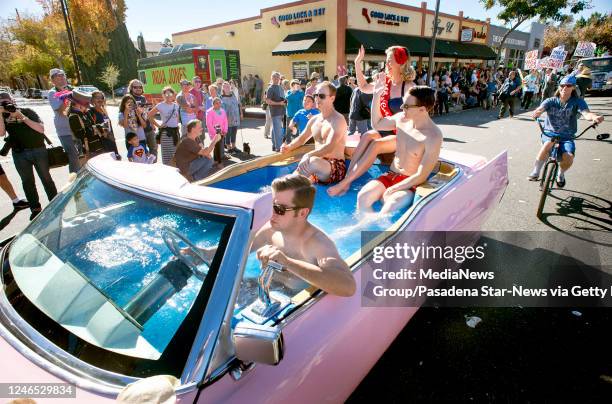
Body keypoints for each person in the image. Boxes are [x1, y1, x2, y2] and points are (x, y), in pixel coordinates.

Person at [328, 45, 416, 197]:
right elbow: (363, 87)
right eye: (386, 61)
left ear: (400, 63)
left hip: (401, 134)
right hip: (383, 130)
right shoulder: (385, 83)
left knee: (375, 144)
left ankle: (345, 183)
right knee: (367, 135)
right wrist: (357, 63)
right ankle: (347, 178)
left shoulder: (409, 87)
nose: (386, 64)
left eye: (390, 61)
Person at [251, 174, 356, 296]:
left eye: (280, 209)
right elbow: (238, 252)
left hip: (295, 301)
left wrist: (287, 262)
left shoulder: (318, 244)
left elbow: (348, 287)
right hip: (264, 290)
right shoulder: (269, 229)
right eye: (271, 205)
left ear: (302, 213)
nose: (272, 213)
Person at [357, 85, 442, 215]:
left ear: (422, 109)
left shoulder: (433, 136)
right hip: (391, 175)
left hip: (411, 184)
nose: (402, 108)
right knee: (362, 197)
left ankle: (368, 232)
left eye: (407, 106)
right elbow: (377, 124)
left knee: (388, 208)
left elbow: (421, 176)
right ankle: (361, 231)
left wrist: (395, 188)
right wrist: (376, 96)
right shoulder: (401, 119)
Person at [528, 76, 604, 187]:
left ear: (573, 88)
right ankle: (536, 171)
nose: (564, 88)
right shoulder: (550, 101)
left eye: (568, 86)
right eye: (562, 85)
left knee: (568, 157)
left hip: (567, 136)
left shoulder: (578, 102)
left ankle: (561, 173)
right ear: (559, 87)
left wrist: (594, 117)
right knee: (548, 143)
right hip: (549, 134)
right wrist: (537, 112)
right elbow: (541, 108)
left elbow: (586, 113)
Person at [0, 91, 57, 220]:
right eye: (2, 104)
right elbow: (1, 133)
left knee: (46, 179)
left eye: (7, 102)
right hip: (19, 154)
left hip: (38, 150)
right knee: (27, 182)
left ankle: (55, 203)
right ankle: (35, 208)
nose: (5, 105)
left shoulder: (27, 111)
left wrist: (21, 116)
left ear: (13, 100)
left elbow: (41, 129)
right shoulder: (3, 117)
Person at [280, 81, 347, 185]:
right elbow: (302, 139)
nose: (317, 99)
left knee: (312, 161)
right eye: (316, 95)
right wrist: (289, 147)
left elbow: (329, 147)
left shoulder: (338, 119)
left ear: (332, 98)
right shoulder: (314, 120)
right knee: (305, 166)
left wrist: (308, 155)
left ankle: (284, 186)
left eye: (322, 96)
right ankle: (285, 186)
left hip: (335, 167)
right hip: (317, 165)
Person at [47, 68, 80, 173]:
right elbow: (62, 111)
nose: (62, 78)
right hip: (65, 130)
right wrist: (65, 94)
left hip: (78, 127)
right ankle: (74, 181)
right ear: (53, 80)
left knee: (83, 154)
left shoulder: (72, 89)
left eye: (63, 75)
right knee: (73, 156)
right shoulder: (52, 93)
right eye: (58, 76)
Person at [148, 86, 180, 165]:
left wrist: (176, 125)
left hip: (175, 132)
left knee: (176, 154)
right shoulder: (160, 105)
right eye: (166, 94)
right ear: (163, 95)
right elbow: (149, 115)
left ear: (173, 94)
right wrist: (158, 125)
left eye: (170, 93)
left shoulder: (176, 106)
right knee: (167, 155)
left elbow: (177, 118)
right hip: (166, 133)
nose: (168, 95)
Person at [129, 79, 157, 157]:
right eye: (135, 87)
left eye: (140, 87)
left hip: (148, 128)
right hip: (138, 130)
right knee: (141, 151)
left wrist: (152, 124)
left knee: (153, 148)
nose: (138, 88)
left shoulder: (143, 98)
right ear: (131, 88)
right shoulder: (129, 98)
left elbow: (147, 113)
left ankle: (153, 166)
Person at [265, 71, 286, 152]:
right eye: (275, 77)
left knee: (275, 129)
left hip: (282, 111)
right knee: (278, 131)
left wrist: (284, 101)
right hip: (275, 112)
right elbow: (268, 101)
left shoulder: (280, 87)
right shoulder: (270, 88)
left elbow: (282, 98)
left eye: (278, 77)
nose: (276, 79)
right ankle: (279, 148)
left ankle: (274, 146)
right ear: (272, 78)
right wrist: (279, 103)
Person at [221, 81, 242, 153]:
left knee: (234, 132)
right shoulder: (221, 97)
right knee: (228, 133)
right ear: (223, 88)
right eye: (225, 87)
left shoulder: (233, 94)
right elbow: (222, 109)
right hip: (227, 118)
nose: (227, 88)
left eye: (228, 86)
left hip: (235, 117)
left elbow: (237, 104)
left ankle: (234, 146)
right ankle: (228, 147)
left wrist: (240, 113)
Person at [206, 97, 228, 166]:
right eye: (216, 103)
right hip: (214, 133)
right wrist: (215, 133)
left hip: (222, 132)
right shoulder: (209, 112)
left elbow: (225, 121)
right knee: (216, 146)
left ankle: (216, 160)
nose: (218, 104)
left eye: (219, 103)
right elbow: (209, 124)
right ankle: (219, 162)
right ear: (213, 104)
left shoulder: (223, 111)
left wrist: (225, 130)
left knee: (219, 146)